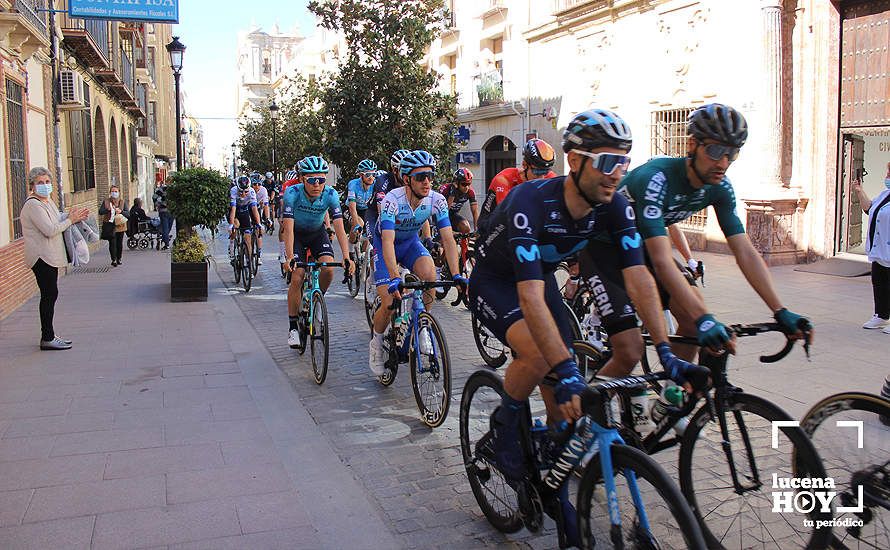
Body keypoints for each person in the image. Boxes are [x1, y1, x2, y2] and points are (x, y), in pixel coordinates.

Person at [468, 110, 704, 546]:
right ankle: (505, 428)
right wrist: (565, 366)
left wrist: (668, 353)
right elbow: (529, 299)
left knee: (564, 394)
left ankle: (553, 479)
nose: (618, 174)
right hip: (496, 281)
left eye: (625, 163)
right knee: (542, 356)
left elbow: (639, 279)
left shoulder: (613, 204)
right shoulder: (529, 202)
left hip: (539, 280)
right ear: (575, 161)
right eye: (608, 162)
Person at [615, 103, 811, 361]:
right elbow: (662, 262)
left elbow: (745, 251)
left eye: (732, 153)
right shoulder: (657, 178)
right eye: (715, 150)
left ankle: (672, 397)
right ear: (691, 145)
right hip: (607, 246)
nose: (723, 162)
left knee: (693, 326)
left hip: (642, 246)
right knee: (628, 354)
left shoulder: (719, 187)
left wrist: (779, 309)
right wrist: (705, 318)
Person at [368, 150, 466, 376]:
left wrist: (457, 274)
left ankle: (422, 325)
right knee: (389, 302)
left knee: (430, 277)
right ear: (406, 179)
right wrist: (394, 276)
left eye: (431, 176)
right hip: (386, 246)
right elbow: (388, 241)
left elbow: (449, 239)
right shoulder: (393, 199)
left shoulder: (437, 200)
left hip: (411, 243)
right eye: (421, 177)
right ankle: (376, 342)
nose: (427, 182)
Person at [281, 156, 354, 349]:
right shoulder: (292, 193)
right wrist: (289, 257)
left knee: (329, 269)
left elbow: (339, 227)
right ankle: (293, 327)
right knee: (297, 276)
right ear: (302, 179)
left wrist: (346, 256)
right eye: (312, 180)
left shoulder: (330, 194)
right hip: (296, 234)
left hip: (317, 233)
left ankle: (316, 299)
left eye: (321, 180)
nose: (317, 185)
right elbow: (288, 229)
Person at [20, 167, 89, 350]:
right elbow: (50, 229)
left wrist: (71, 216)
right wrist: (70, 220)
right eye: (40, 183)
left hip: (49, 255)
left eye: (47, 182)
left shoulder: (46, 201)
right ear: (32, 186)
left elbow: (56, 218)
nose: (45, 186)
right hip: (41, 257)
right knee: (49, 294)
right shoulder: (33, 205)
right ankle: (47, 338)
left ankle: (49, 334)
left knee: (51, 294)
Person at [476, 138, 558, 232]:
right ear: (524, 165)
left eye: (545, 171)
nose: (542, 178)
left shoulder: (548, 176)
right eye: (537, 171)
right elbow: (509, 215)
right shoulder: (504, 179)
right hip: (493, 225)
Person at [853, 161, 890, 333]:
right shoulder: (885, 194)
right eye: (887, 173)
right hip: (880, 250)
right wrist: (860, 192)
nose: (887, 177)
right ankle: (881, 315)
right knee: (879, 282)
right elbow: (869, 208)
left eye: (889, 174)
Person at [227, 175, 261, 266]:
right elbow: (233, 208)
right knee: (235, 225)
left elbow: (254, 209)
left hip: (244, 211)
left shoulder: (252, 191)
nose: (243, 194)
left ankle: (249, 260)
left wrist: (258, 224)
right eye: (241, 191)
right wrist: (231, 225)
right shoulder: (233, 190)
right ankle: (232, 250)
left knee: (247, 236)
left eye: (246, 191)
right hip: (235, 212)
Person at [438, 168, 479, 234]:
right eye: (464, 184)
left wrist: (477, 230)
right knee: (445, 235)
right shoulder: (445, 189)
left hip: (453, 215)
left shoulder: (470, 192)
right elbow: (444, 211)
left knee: (466, 228)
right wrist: (452, 194)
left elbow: (475, 211)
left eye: (469, 184)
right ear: (456, 183)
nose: (467, 187)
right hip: (440, 215)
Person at [99, 185, 127, 266]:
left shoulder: (122, 202)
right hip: (110, 225)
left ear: (119, 192)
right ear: (110, 193)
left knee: (119, 242)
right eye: (112, 191)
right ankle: (113, 259)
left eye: (116, 191)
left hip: (120, 225)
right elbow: (100, 212)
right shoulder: (106, 202)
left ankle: (119, 258)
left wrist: (121, 211)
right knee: (112, 242)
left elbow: (127, 214)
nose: (114, 193)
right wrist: (108, 210)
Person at [250, 172, 270, 265]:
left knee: (259, 231)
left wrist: (268, 218)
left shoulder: (263, 190)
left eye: (259, 184)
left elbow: (266, 205)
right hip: (248, 208)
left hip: (257, 207)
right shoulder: (248, 190)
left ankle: (258, 255)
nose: (257, 186)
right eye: (254, 184)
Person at [153, 179, 172, 249]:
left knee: (166, 227)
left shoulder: (162, 189)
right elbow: (155, 197)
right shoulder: (163, 189)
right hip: (166, 211)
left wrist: (157, 204)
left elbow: (154, 197)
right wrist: (159, 204)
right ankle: (166, 242)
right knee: (167, 227)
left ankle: (164, 240)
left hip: (166, 211)